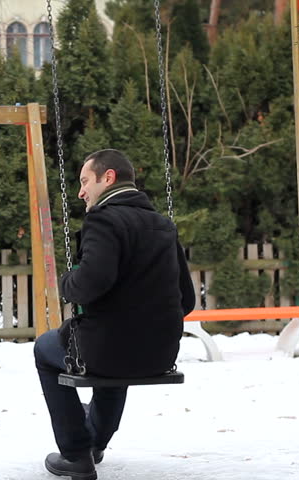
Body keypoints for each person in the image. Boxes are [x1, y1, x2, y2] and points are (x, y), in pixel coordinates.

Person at [35, 149, 195, 479]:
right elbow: (188, 299)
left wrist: (67, 283)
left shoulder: (103, 220)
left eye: (84, 181)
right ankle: (95, 441)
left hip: (107, 350)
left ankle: (77, 453)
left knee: (45, 348)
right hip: (160, 355)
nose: (80, 192)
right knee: (110, 346)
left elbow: (91, 283)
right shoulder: (164, 226)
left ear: (108, 178)